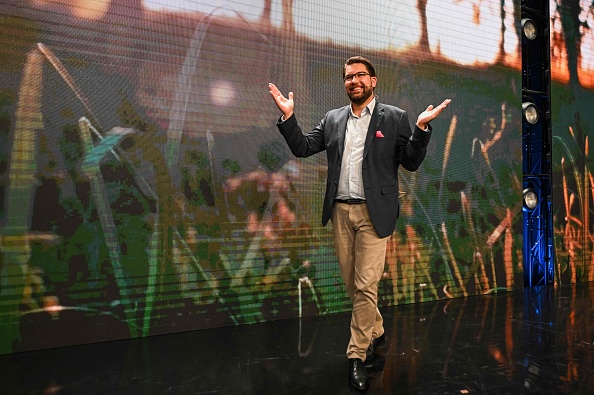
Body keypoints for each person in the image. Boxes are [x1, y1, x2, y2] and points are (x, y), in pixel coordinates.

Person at [268, 56, 451, 391]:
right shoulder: (333, 119)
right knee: (354, 286)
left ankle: (357, 356)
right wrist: (288, 117)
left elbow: (409, 162)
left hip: (373, 214)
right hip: (340, 213)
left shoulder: (394, 118)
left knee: (366, 286)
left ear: (374, 80)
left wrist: (421, 128)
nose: (354, 81)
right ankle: (378, 331)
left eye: (360, 75)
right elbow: (303, 148)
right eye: (348, 77)